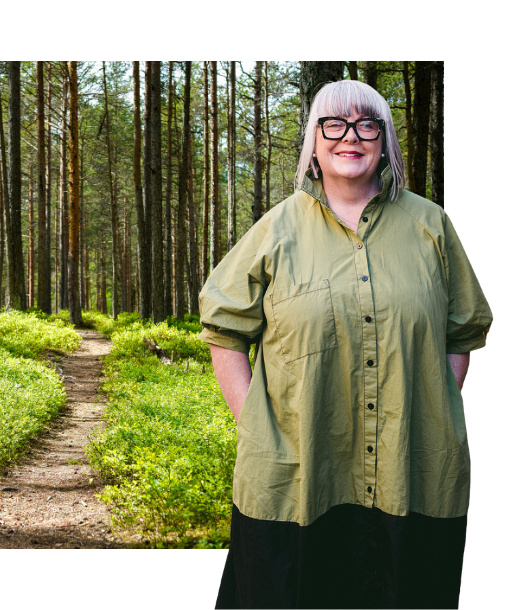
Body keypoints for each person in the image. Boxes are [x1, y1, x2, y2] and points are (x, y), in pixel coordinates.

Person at [198, 79, 492, 609]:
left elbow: (461, 332)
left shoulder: (432, 226)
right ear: (314, 139)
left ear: (385, 141)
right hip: (299, 474)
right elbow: (224, 330)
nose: (349, 136)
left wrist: (426, 407)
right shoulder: (277, 229)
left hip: (413, 471)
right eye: (333, 124)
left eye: (366, 124)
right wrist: (255, 426)